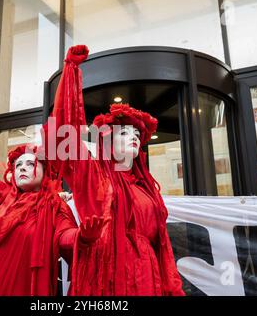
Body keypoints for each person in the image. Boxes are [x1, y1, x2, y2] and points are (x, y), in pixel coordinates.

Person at [42, 45, 185, 296]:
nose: (133, 136)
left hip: (146, 277)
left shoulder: (146, 187)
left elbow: (161, 244)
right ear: (107, 140)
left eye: (137, 133)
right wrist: (71, 72)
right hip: (104, 277)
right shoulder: (93, 175)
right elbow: (64, 137)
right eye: (125, 132)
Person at [0, 103, 103, 296]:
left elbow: (64, 235)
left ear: (45, 174)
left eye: (30, 164)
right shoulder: (2, 196)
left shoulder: (54, 205)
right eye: (18, 165)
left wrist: (82, 236)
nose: (22, 168)